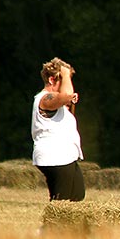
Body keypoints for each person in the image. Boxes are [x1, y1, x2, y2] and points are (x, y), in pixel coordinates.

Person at [31, 57, 85, 201]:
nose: (68, 84)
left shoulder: (54, 102)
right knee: (62, 204)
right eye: (65, 80)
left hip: (66, 156)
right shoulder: (44, 98)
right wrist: (65, 74)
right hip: (55, 156)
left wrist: (68, 102)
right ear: (52, 80)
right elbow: (66, 95)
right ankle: (50, 225)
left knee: (77, 198)